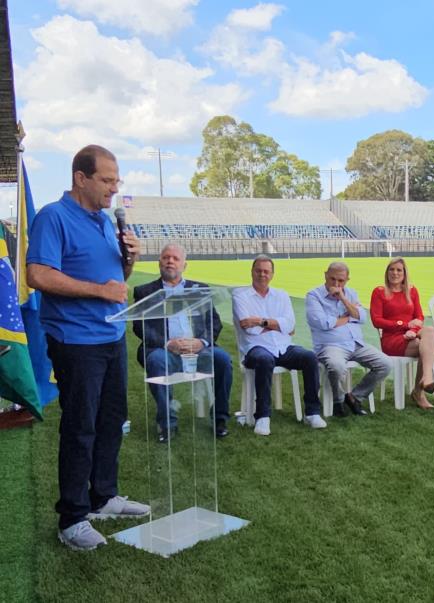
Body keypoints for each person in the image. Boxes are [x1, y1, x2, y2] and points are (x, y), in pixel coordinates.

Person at [26, 144, 149, 551]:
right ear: (81, 178)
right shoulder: (53, 217)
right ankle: (72, 518)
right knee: (81, 427)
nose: (114, 189)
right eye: (107, 180)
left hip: (112, 336)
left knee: (113, 419)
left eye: (117, 181)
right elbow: (38, 275)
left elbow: (118, 280)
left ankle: (104, 496)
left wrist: (129, 260)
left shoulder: (105, 221)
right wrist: (99, 291)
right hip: (76, 341)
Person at [132, 244, 233, 442]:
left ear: (184, 265)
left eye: (175, 258)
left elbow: (214, 322)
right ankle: (167, 424)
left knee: (222, 359)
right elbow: (140, 327)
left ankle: (219, 419)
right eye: (166, 257)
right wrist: (167, 343)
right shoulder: (145, 291)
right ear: (159, 262)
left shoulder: (200, 289)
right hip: (165, 350)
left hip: (197, 349)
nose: (170, 261)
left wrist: (201, 342)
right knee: (157, 361)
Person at [232, 255, 324, 435]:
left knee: (310, 357)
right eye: (258, 270)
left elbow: (290, 325)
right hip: (254, 348)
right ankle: (262, 416)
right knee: (264, 359)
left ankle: (312, 412)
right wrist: (277, 325)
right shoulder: (240, 295)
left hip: (283, 346)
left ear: (272, 274)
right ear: (252, 271)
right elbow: (248, 329)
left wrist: (260, 321)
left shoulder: (281, 295)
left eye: (266, 271)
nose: (262, 275)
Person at [307, 261, 391, 417]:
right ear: (325, 275)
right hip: (331, 345)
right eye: (332, 279)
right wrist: (348, 316)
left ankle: (354, 397)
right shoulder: (314, 295)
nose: (336, 284)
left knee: (385, 364)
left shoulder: (351, 293)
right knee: (336, 365)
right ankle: (338, 401)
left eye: (341, 281)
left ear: (347, 280)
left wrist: (344, 299)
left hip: (355, 343)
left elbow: (362, 317)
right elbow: (322, 322)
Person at [370, 258, 434, 409]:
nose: (395, 273)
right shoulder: (379, 292)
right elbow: (377, 321)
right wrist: (403, 325)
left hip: (410, 336)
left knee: (430, 331)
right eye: (392, 269)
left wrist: (412, 331)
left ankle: (424, 381)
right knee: (431, 350)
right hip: (391, 339)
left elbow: (419, 317)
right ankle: (419, 392)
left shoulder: (412, 291)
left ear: (404, 273)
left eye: (399, 270)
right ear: (387, 272)